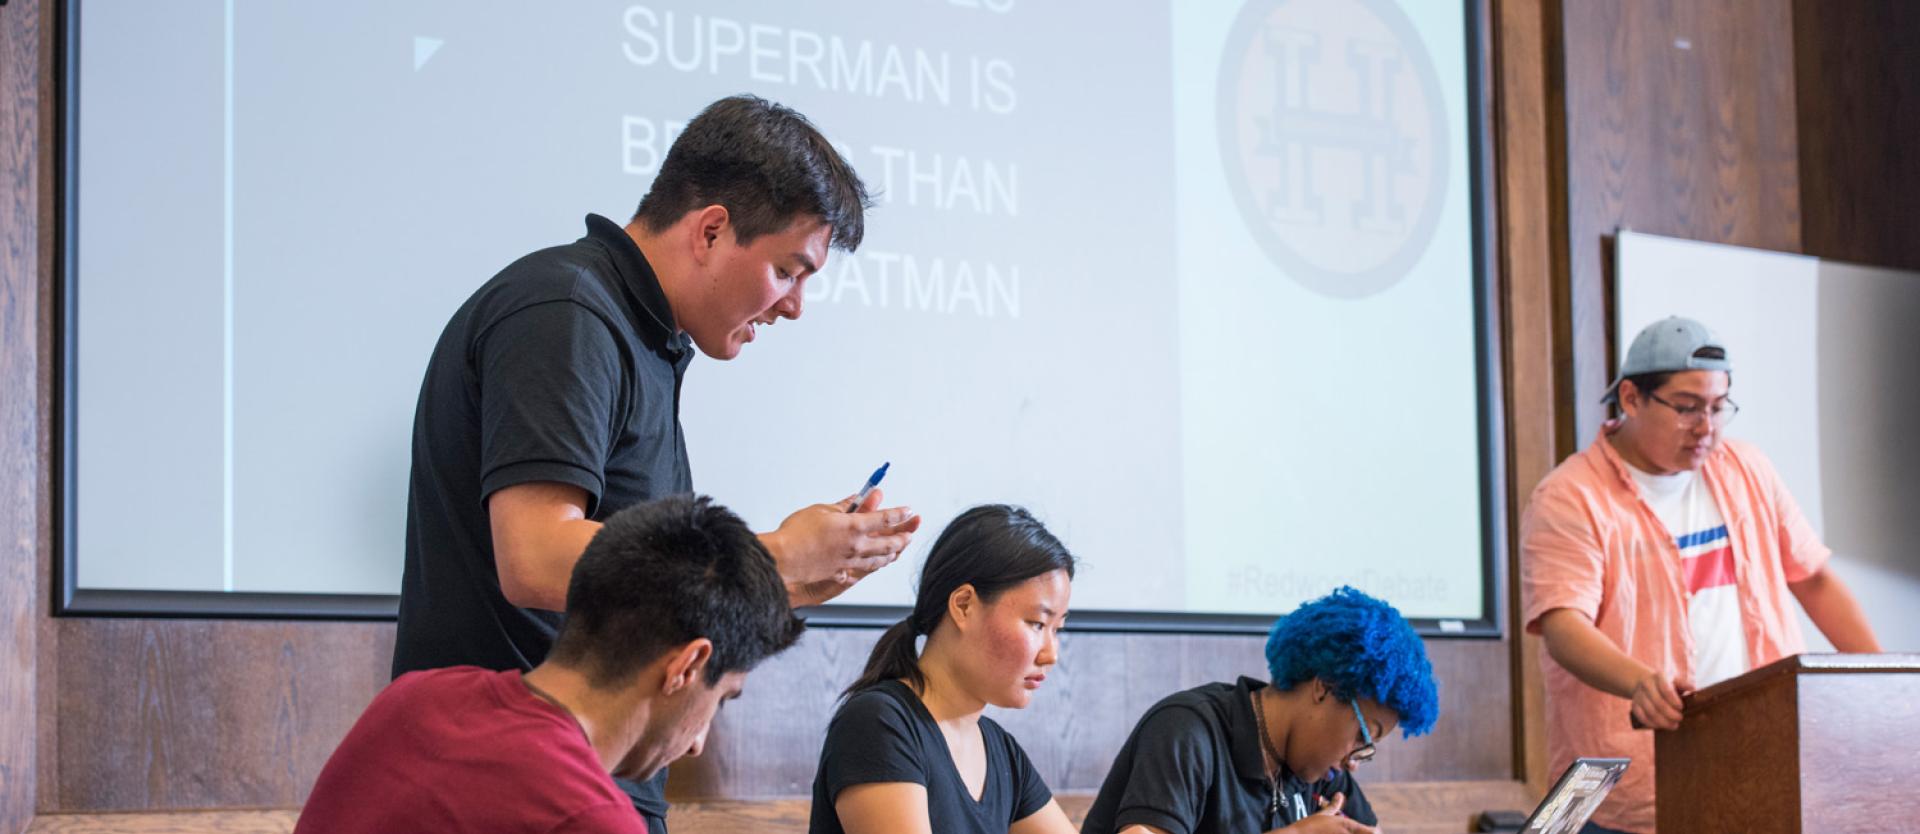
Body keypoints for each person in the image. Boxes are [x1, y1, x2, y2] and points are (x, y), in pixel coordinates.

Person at [392, 95, 922, 830]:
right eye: (788, 270)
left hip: (575, 778)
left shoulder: (642, 339)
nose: (796, 306)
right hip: (512, 785)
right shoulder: (567, 312)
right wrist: (772, 559)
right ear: (711, 229)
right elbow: (535, 555)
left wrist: (791, 575)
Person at [1521, 316, 1882, 834]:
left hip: (1753, 763)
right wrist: (1639, 682)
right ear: (1630, 398)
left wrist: (1889, 684)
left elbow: (1814, 579)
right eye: (1687, 408)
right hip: (1616, 786)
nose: (1706, 427)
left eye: (1718, 407)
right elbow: (1562, 626)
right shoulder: (1568, 495)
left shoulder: (1746, 467)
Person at [298, 494, 804, 833]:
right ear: (687, 667)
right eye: (720, 700)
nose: (697, 743)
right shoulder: (587, 818)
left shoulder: (413, 699)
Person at [809, 505, 1081, 834]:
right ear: (964, 605)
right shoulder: (879, 723)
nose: (1050, 654)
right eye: (1037, 623)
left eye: (1057, 629)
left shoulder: (1001, 750)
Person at [1079, 587, 1439, 834]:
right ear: (1325, 687)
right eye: (1363, 735)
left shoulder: (1326, 778)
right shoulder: (1188, 729)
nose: (1354, 762)